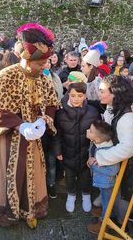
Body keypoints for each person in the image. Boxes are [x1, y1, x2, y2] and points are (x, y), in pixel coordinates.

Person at [0, 23, 59, 228]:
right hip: (9, 138)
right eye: (41, 63)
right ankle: (9, 211)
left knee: (32, 172)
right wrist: (20, 125)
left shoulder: (44, 79)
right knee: (12, 172)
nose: (44, 66)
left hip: (33, 137)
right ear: (27, 59)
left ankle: (31, 208)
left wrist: (44, 121)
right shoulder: (4, 77)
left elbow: (52, 103)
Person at [53, 82, 100, 213]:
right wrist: (58, 150)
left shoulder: (92, 111)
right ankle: (71, 195)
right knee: (69, 176)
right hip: (68, 152)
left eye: (79, 95)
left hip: (86, 153)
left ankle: (86, 195)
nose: (76, 99)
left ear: (85, 96)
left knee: (86, 176)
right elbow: (57, 133)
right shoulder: (61, 113)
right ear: (68, 95)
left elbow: (98, 134)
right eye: (72, 95)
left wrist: (95, 153)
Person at [86, 120, 120, 233]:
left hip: (107, 183)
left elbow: (113, 170)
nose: (87, 131)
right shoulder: (100, 143)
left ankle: (103, 223)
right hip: (103, 182)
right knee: (106, 200)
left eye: (90, 131)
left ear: (97, 139)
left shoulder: (107, 152)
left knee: (107, 203)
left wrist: (92, 166)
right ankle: (107, 214)